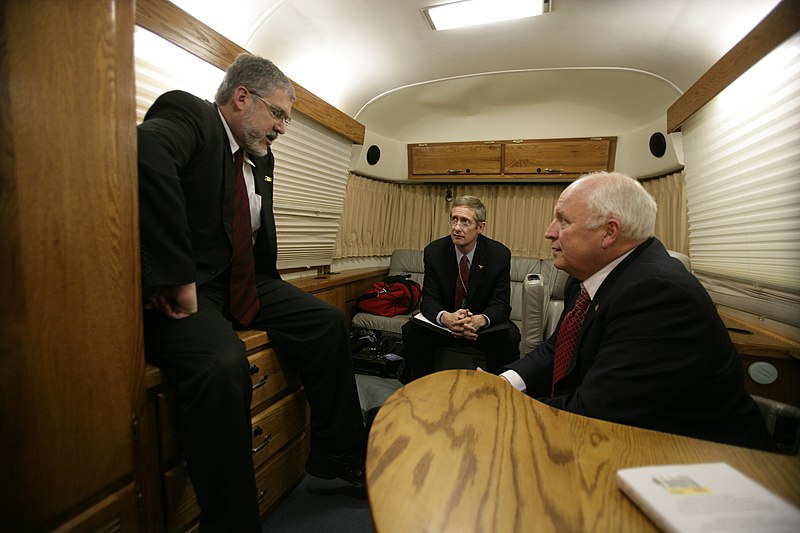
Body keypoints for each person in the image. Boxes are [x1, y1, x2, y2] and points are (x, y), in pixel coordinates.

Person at [138, 53, 367, 532]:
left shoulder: (263, 159)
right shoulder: (190, 115)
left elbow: (251, 231)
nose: (282, 127)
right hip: (195, 286)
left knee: (326, 322)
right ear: (242, 97)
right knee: (221, 365)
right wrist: (172, 275)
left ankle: (338, 453)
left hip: (245, 281)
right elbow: (146, 154)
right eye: (279, 113)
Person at [500, 171, 775, 451]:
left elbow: (593, 414)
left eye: (563, 220)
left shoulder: (660, 296)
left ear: (609, 232)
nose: (550, 231)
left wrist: (502, 408)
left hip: (707, 465)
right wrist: (504, 384)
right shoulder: (586, 276)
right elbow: (558, 348)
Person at [401, 196, 520, 380]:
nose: (457, 227)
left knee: (510, 336)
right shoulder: (434, 252)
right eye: (454, 219)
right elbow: (429, 300)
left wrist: (480, 320)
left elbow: (501, 305)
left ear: (480, 227)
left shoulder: (499, 255)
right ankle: (420, 389)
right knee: (411, 331)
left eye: (465, 221)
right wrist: (446, 318)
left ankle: (498, 393)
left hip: (478, 328)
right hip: (446, 325)